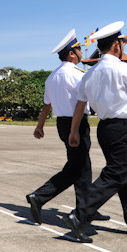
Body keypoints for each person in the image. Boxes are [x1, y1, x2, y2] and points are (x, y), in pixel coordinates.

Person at [62, 21, 127, 243]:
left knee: (124, 176)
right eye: (122, 43)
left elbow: (79, 105)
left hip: (104, 129)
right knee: (116, 174)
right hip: (122, 129)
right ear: (117, 45)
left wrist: (74, 131)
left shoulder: (89, 73)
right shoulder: (125, 69)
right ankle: (80, 215)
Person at [27, 29, 109, 226]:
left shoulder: (52, 77)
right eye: (79, 49)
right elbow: (88, 99)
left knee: (83, 166)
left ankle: (86, 208)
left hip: (62, 123)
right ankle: (39, 196)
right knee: (76, 168)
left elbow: (46, 105)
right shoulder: (77, 75)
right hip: (76, 124)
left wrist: (40, 126)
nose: (82, 52)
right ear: (72, 53)